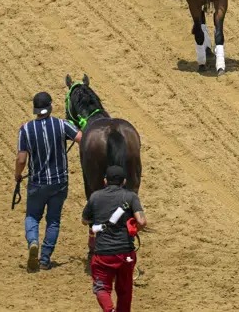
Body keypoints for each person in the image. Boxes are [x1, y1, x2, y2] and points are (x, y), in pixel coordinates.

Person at [15, 91, 82, 272]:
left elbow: (22, 160)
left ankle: (33, 242)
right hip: (59, 183)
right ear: (51, 106)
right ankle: (45, 259)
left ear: (35, 110)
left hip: (37, 183)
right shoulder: (62, 125)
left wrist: (17, 175)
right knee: (53, 221)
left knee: (32, 216)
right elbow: (81, 139)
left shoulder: (25, 130)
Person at [82, 165, 146, 312]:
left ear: (105, 181)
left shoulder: (95, 197)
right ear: (124, 181)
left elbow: (84, 220)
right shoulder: (131, 197)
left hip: (103, 254)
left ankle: (108, 309)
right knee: (125, 291)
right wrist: (134, 229)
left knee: (101, 287)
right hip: (126, 254)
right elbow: (142, 222)